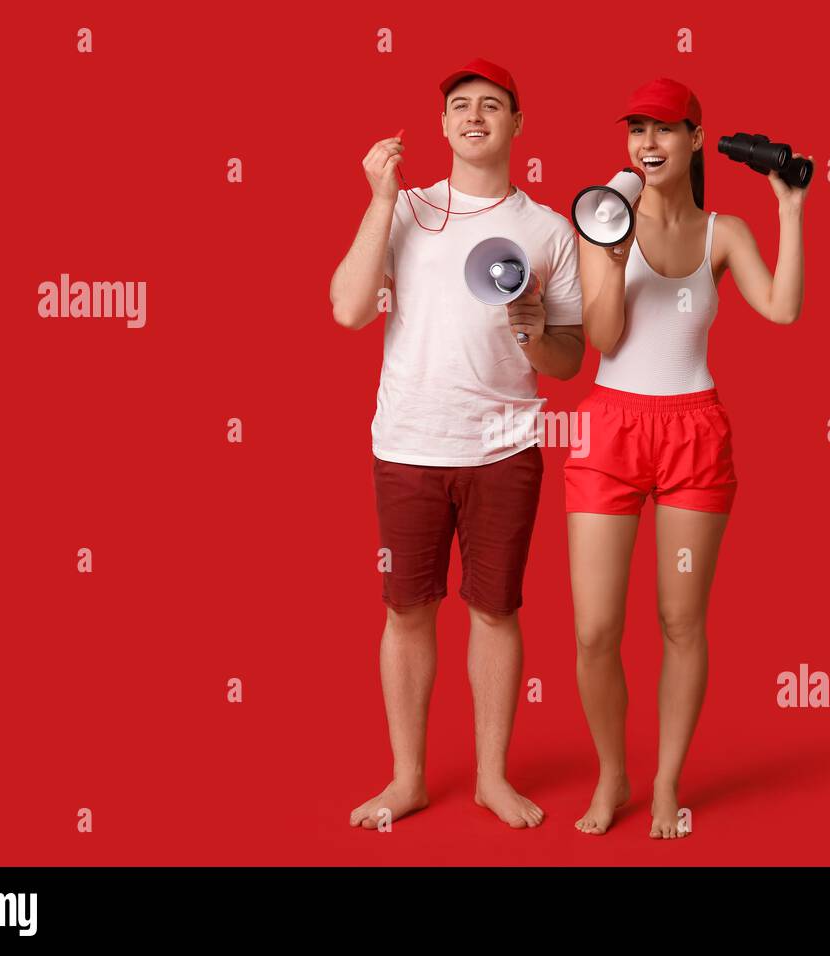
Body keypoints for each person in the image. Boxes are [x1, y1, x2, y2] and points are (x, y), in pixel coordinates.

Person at [329, 58, 586, 829]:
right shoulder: (404, 209)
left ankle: (491, 778)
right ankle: (407, 778)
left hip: (505, 448)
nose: (475, 116)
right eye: (461, 106)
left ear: (517, 126)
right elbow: (347, 309)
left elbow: (569, 362)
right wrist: (379, 200)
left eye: (494, 106)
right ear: (442, 126)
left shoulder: (548, 230)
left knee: (497, 610)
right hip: (409, 443)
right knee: (406, 609)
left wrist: (538, 335)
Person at [564, 77, 809, 838]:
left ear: (697, 139)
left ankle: (667, 781)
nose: (648, 143)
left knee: (680, 621)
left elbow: (783, 308)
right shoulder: (604, 219)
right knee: (595, 630)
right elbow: (601, 340)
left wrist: (790, 210)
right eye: (636, 129)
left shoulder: (723, 232)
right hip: (610, 427)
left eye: (665, 129)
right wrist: (609, 253)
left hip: (694, 432)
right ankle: (613, 776)